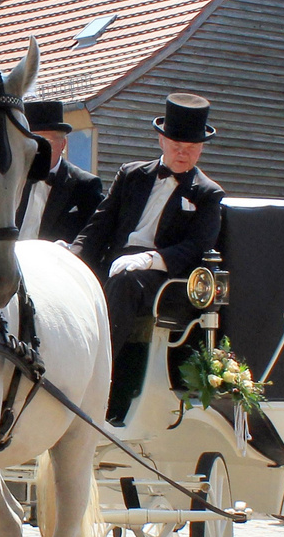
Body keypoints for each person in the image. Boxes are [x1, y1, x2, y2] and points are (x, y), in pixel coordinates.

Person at [69, 92, 224, 359]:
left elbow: (196, 247)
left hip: (162, 278)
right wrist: (70, 259)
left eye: (191, 146)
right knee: (72, 278)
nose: (182, 152)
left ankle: (99, 367)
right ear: (161, 140)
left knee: (124, 283)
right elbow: (99, 225)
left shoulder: (208, 194)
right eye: (176, 144)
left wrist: (149, 259)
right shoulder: (131, 175)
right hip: (115, 262)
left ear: (201, 148)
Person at [16, 100, 103, 242]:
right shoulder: (11, 181)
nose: (37, 149)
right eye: (30, 142)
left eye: (45, 142)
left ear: (63, 144)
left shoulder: (85, 185)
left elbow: (91, 239)